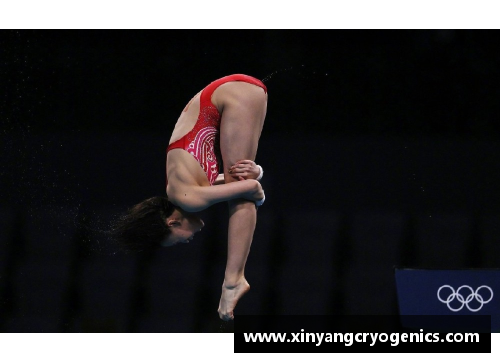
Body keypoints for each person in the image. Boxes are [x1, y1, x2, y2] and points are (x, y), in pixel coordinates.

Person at [113, 74, 268, 321]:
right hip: (226, 92)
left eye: (177, 241)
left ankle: (232, 281)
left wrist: (254, 187)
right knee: (237, 182)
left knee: (240, 198)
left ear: (171, 223)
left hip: (232, 94)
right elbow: (245, 182)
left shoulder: (187, 199)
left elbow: (251, 190)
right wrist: (257, 173)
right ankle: (233, 280)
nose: (187, 241)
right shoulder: (182, 190)